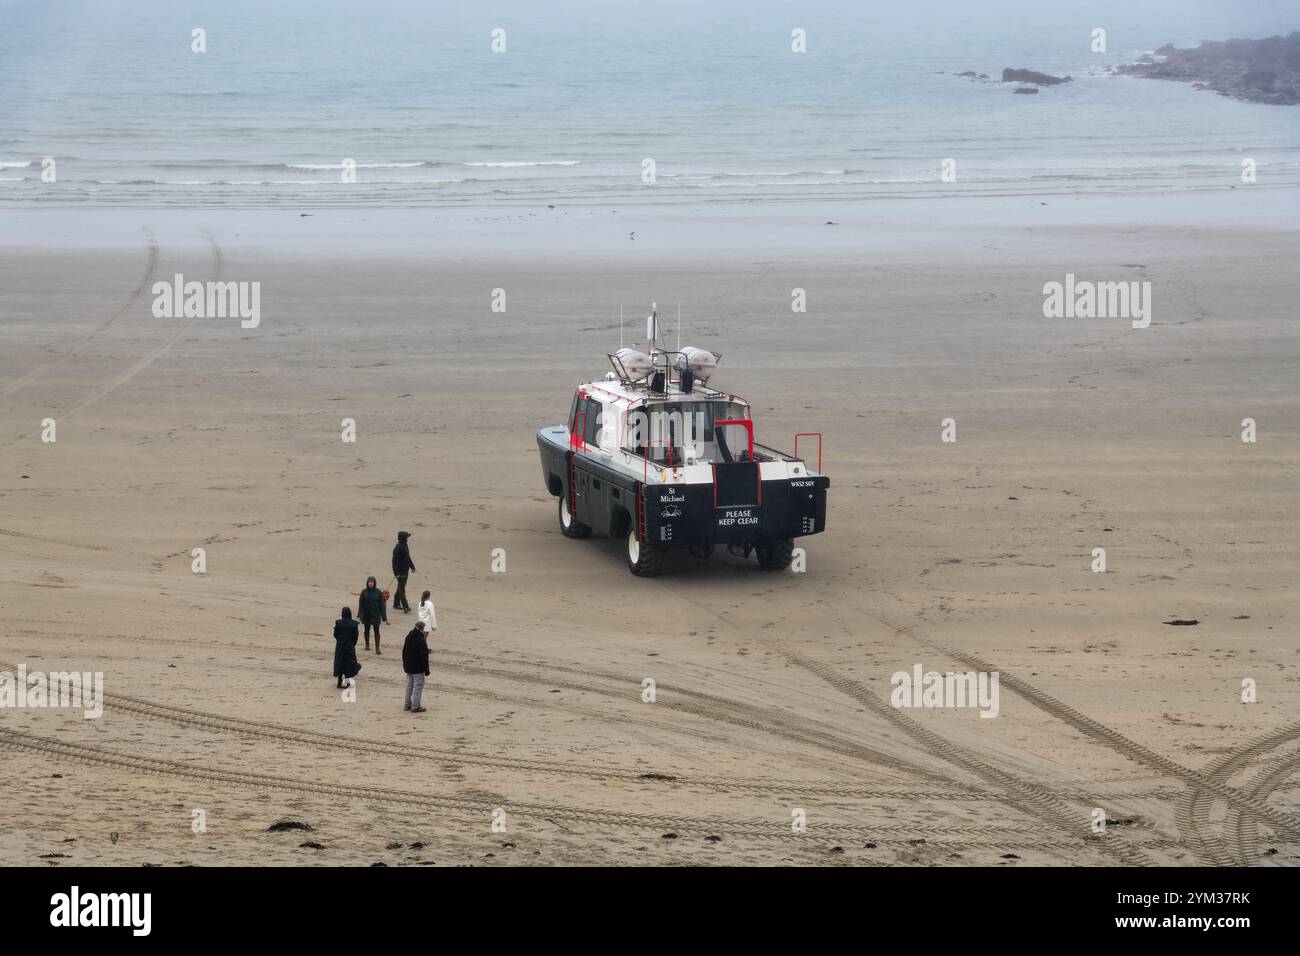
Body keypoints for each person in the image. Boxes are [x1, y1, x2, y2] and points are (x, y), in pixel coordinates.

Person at [402, 621, 430, 713]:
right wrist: (426, 670)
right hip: (418, 668)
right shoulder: (421, 640)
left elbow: (404, 651)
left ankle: (407, 705)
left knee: (409, 686)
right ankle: (415, 706)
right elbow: (424, 656)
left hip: (409, 667)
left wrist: (405, 665)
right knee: (417, 687)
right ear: (421, 629)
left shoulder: (408, 636)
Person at [357, 575, 388, 654]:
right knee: (366, 630)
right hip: (366, 615)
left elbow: (382, 605)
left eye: (372, 582)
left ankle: (377, 648)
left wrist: (384, 616)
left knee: (376, 631)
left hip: (376, 615)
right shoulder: (363, 592)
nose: (370, 583)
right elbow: (361, 604)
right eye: (369, 582)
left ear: (374, 583)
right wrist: (360, 614)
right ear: (367, 583)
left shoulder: (378, 592)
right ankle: (367, 645)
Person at [333, 607, 361, 688]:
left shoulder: (338, 623)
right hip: (349, 646)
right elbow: (355, 636)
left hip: (340, 646)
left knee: (340, 663)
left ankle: (339, 681)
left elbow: (335, 635)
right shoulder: (354, 624)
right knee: (349, 664)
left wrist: (340, 641)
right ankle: (347, 681)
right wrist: (352, 644)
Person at [391, 531, 416, 613]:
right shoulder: (397, 548)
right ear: (402, 538)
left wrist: (412, 566)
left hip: (405, 571)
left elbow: (408, 557)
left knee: (400, 587)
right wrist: (396, 573)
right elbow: (394, 561)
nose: (407, 539)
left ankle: (396, 603)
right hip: (400, 572)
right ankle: (405, 606)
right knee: (402, 589)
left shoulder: (405, 545)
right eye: (406, 537)